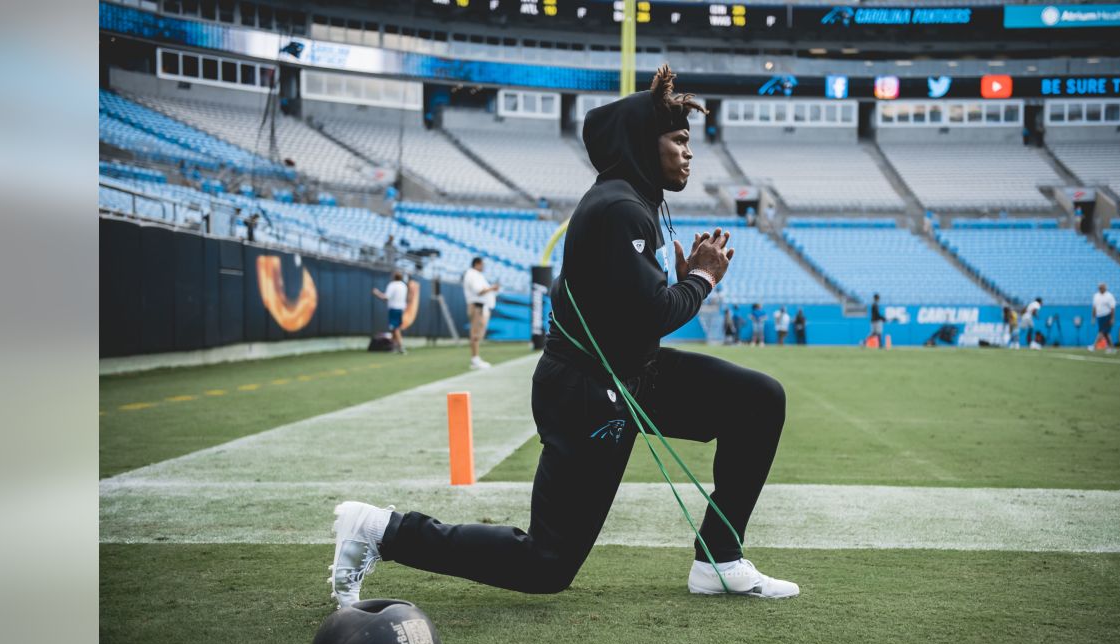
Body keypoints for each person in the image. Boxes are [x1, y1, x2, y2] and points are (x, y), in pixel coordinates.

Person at [328, 65, 797, 607]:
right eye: (679, 139)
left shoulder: (637, 201)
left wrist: (688, 278)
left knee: (758, 400)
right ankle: (380, 530)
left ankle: (720, 558)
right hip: (586, 391)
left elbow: (630, 310)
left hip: (632, 374)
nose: (689, 153)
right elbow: (654, 313)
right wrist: (702, 278)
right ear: (645, 143)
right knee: (546, 563)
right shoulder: (622, 207)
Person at [462, 257, 500, 370]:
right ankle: (475, 359)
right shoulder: (472, 274)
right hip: (476, 306)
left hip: (480, 306)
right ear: (477, 264)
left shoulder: (476, 275)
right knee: (475, 333)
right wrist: (492, 288)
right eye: (482, 264)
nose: (484, 267)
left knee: (478, 333)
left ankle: (476, 358)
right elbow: (478, 291)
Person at [371, 270, 409, 354]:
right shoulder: (404, 286)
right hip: (401, 309)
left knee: (395, 328)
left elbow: (386, 298)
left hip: (394, 309)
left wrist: (376, 293)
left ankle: (401, 346)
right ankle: (393, 347)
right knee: (394, 328)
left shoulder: (392, 285)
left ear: (393, 276)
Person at [1090, 282, 1117, 353]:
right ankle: (1111, 348)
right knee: (1106, 333)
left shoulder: (1109, 296)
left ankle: (1094, 346)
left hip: (1107, 315)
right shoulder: (1096, 296)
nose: (1100, 289)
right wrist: (1093, 318)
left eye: (1101, 287)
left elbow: (1112, 308)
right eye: (1099, 288)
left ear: (1105, 288)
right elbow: (1094, 307)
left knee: (1101, 332)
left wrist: (1112, 318)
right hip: (1099, 316)